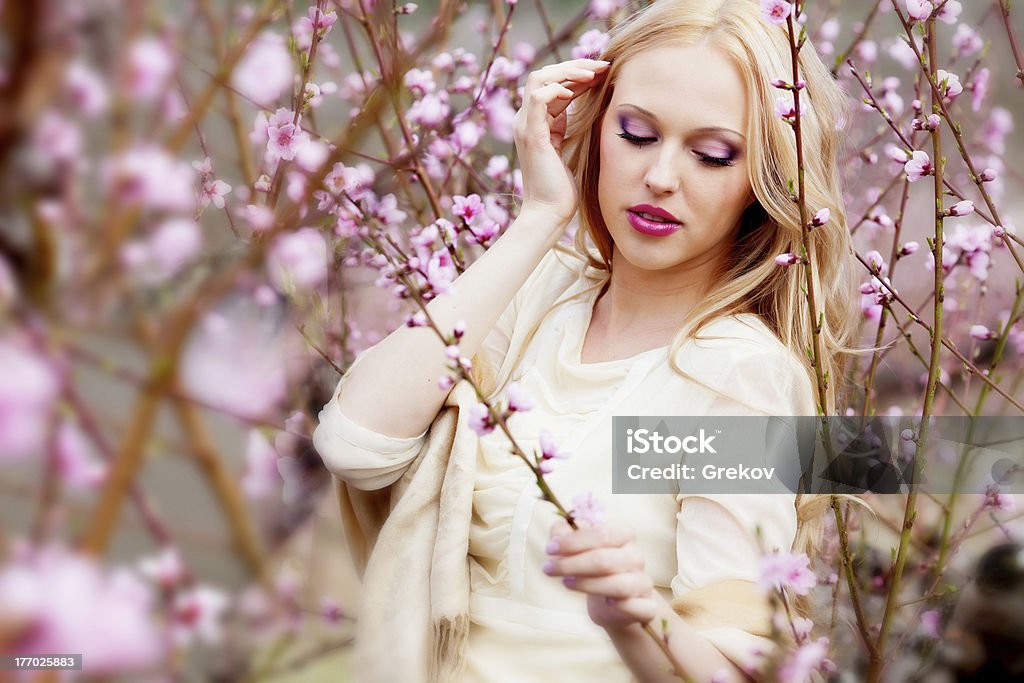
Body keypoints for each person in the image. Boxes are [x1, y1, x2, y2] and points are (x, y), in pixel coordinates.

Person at [313, 0, 859, 681]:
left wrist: (635, 615)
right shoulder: (541, 297)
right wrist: (541, 216)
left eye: (712, 153)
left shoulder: (737, 376)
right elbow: (355, 443)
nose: (662, 176)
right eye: (636, 133)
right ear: (596, 128)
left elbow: (735, 667)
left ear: (762, 181)